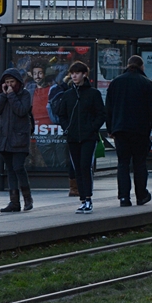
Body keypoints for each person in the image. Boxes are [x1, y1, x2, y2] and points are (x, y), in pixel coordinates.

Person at [106, 55, 152, 206]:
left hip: (120, 129)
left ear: (128, 65)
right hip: (140, 130)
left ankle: (124, 197)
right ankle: (141, 195)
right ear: (141, 66)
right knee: (139, 163)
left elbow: (108, 108)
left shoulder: (116, 82)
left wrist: (110, 128)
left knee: (123, 163)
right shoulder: (147, 83)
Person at [55, 61, 105, 214]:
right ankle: (82, 199)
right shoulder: (68, 95)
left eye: (77, 73)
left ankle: (88, 198)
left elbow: (101, 114)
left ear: (85, 74)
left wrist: (92, 128)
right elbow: (61, 114)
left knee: (85, 166)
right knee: (77, 168)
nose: (74, 76)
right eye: (72, 73)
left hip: (88, 137)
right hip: (73, 136)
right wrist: (66, 128)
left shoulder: (93, 94)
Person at [0, 68, 34, 212]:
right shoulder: (2, 95)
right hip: (5, 139)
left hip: (19, 139)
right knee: (10, 169)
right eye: (6, 82)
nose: (9, 85)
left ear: (18, 82)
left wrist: (11, 95)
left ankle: (27, 198)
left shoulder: (25, 95)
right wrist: (3, 96)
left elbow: (22, 110)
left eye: (12, 82)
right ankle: (14, 202)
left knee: (18, 167)